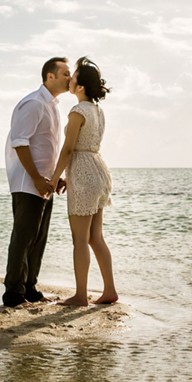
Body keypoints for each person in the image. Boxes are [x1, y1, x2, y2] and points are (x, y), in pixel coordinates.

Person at [2, 56, 71, 308]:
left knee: (39, 238)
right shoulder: (32, 103)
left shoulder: (53, 105)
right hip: (27, 183)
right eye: (65, 73)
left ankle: (30, 289)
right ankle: (13, 295)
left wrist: (55, 177)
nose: (69, 78)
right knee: (23, 239)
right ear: (49, 76)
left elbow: (47, 148)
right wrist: (35, 178)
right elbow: (19, 142)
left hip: (45, 184)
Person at [49, 56, 118, 306]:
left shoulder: (77, 111)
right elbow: (84, 147)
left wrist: (54, 178)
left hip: (84, 173)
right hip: (98, 170)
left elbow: (68, 149)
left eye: (73, 77)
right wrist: (68, 175)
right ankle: (109, 290)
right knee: (95, 237)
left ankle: (80, 295)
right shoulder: (97, 110)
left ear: (80, 87)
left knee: (80, 238)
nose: (70, 80)